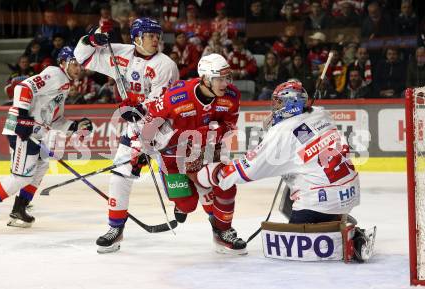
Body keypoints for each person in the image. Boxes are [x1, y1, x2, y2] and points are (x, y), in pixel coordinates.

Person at [190, 80, 375, 262]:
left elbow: (245, 170)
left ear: (291, 104)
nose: (275, 106)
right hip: (349, 193)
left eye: (278, 102)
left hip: (319, 202)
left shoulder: (283, 133)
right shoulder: (321, 114)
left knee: (292, 250)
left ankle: (349, 240)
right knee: (292, 190)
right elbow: (304, 129)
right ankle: (337, 220)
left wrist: (208, 175)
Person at [74, 17, 179, 253]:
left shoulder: (165, 65)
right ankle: (116, 228)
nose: (156, 40)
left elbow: (163, 106)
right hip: (135, 128)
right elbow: (82, 56)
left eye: (158, 36)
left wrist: (139, 110)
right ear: (137, 38)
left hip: (164, 131)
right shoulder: (120, 54)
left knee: (178, 182)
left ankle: (209, 221)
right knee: (119, 176)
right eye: (151, 36)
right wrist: (93, 38)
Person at [141, 53, 246, 255]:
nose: (225, 83)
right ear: (205, 78)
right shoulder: (177, 95)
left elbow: (230, 126)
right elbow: (151, 118)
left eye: (227, 78)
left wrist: (209, 133)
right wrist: (145, 146)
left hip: (206, 151)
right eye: (219, 79)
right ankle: (182, 204)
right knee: (188, 205)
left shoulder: (232, 95)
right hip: (174, 158)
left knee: (224, 181)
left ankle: (222, 231)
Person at [0, 46, 93, 228]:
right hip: (21, 130)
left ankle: (19, 209)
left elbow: (56, 119)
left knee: (41, 165)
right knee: (21, 177)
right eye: (74, 63)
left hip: (33, 132)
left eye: (80, 65)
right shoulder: (55, 74)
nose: (78, 68)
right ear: (63, 63)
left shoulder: (64, 85)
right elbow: (23, 87)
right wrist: (23, 117)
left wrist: (75, 126)